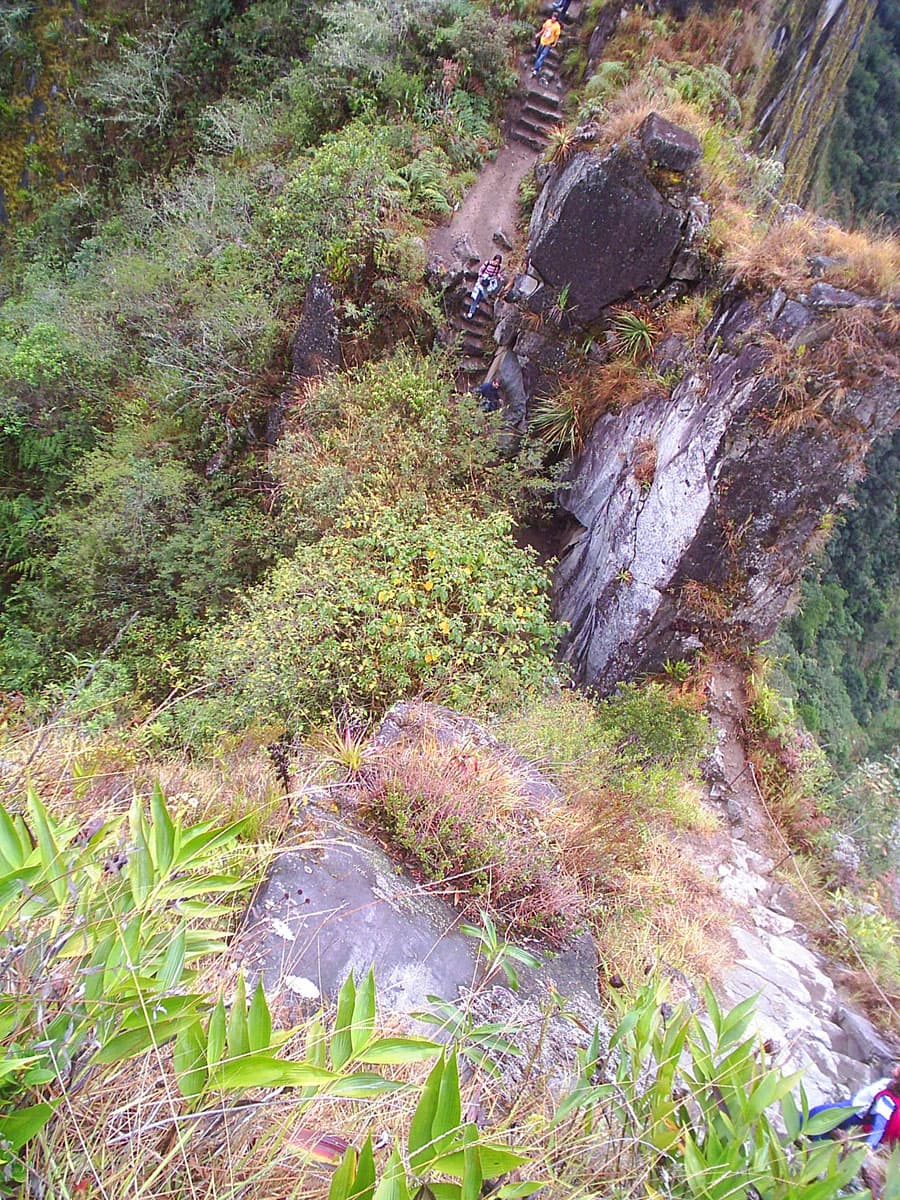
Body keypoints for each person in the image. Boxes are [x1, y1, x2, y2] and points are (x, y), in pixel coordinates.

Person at [465, 254, 503, 320]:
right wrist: (481, 277)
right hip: (482, 280)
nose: (496, 263)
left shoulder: (497, 267)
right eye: (496, 261)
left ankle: (477, 302)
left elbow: (497, 273)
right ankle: (471, 311)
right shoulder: (487, 263)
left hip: (489, 283)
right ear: (493, 260)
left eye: (498, 262)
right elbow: (481, 270)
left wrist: (500, 277)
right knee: (477, 296)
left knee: (483, 294)